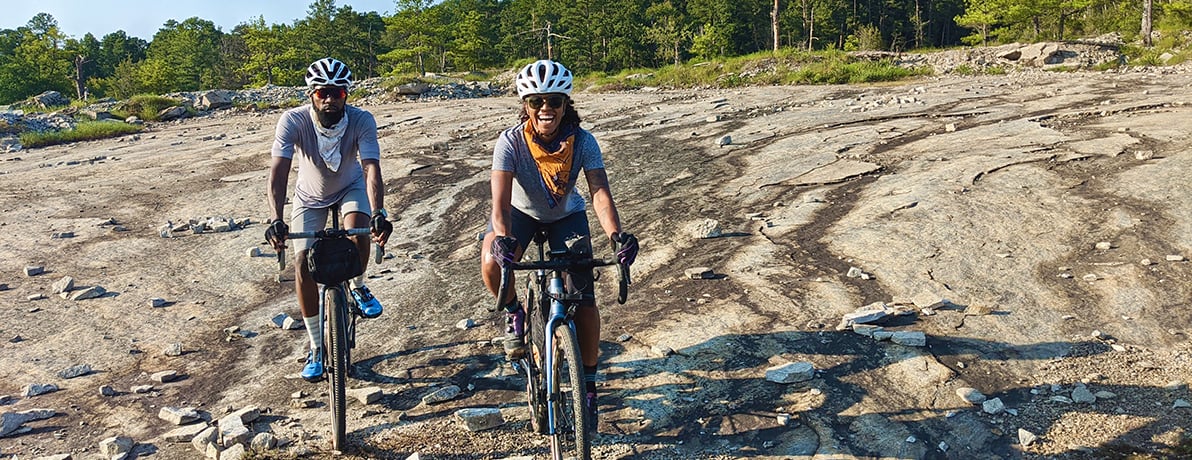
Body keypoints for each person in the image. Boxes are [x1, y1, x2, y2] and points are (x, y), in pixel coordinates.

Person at [480, 59, 639, 425]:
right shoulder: (510, 142)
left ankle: (589, 382)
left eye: (554, 101)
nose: (545, 109)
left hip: (566, 215)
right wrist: (502, 239)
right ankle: (515, 312)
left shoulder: (583, 141)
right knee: (491, 261)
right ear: (526, 105)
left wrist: (616, 236)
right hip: (519, 214)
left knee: (583, 297)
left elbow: (600, 192)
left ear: (566, 104)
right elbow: (499, 201)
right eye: (536, 102)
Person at [264, 57, 393, 382]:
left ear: (347, 94)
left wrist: (378, 212)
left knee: (358, 231)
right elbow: (278, 173)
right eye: (323, 93)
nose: (331, 99)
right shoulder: (292, 121)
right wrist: (275, 218)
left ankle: (360, 287)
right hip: (310, 195)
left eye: (338, 92)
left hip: (350, 186)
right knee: (303, 264)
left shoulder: (362, 120)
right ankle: (317, 347)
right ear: (312, 94)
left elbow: (371, 168)